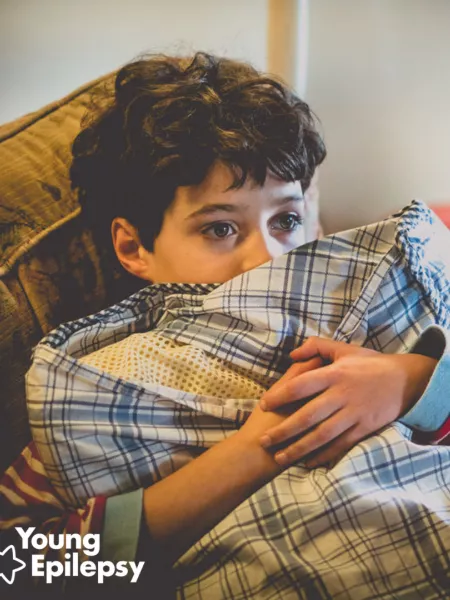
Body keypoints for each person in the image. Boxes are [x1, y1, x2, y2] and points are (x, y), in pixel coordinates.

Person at [0, 52, 448, 597]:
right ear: (133, 246)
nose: (269, 258)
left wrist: (412, 380)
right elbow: (23, 569)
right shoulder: (96, 388)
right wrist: (255, 453)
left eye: (286, 220)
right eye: (219, 229)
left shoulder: (354, 302)